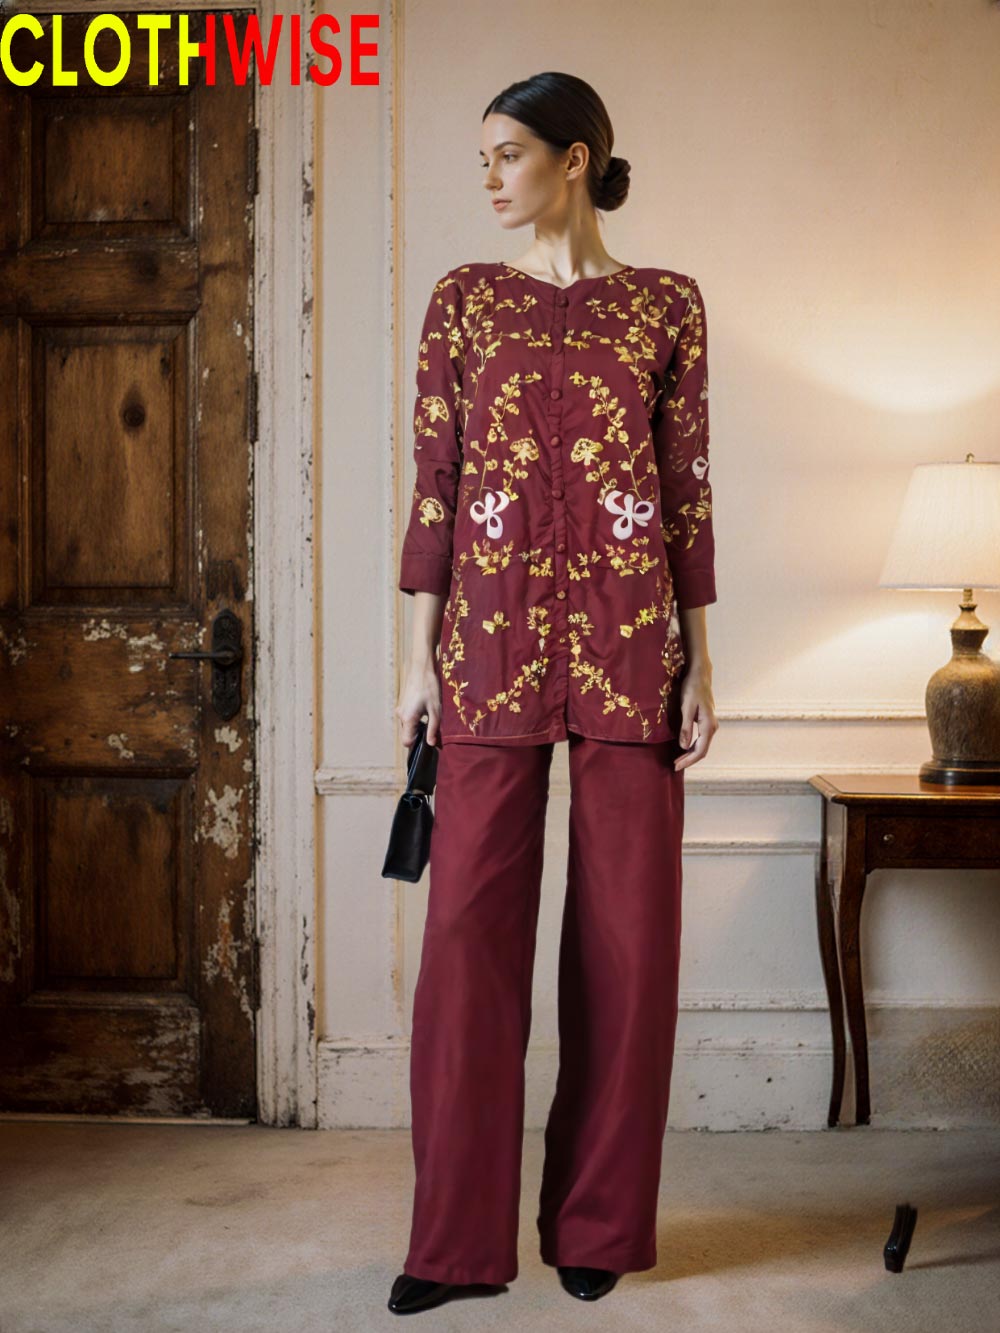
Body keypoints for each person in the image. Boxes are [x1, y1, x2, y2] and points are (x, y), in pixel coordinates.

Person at [389, 70, 718, 1316]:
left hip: (635, 648)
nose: (487, 174)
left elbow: (686, 496)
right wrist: (415, 658)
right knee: (468, 938)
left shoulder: (666, 307)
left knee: (630, 947)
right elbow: (436, 480)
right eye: (482, 153)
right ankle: (451, 1242)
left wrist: (704, 662)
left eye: (508, 152)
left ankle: (596, 1225)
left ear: (574, 161)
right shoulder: (463, 304)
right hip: (483, 648)